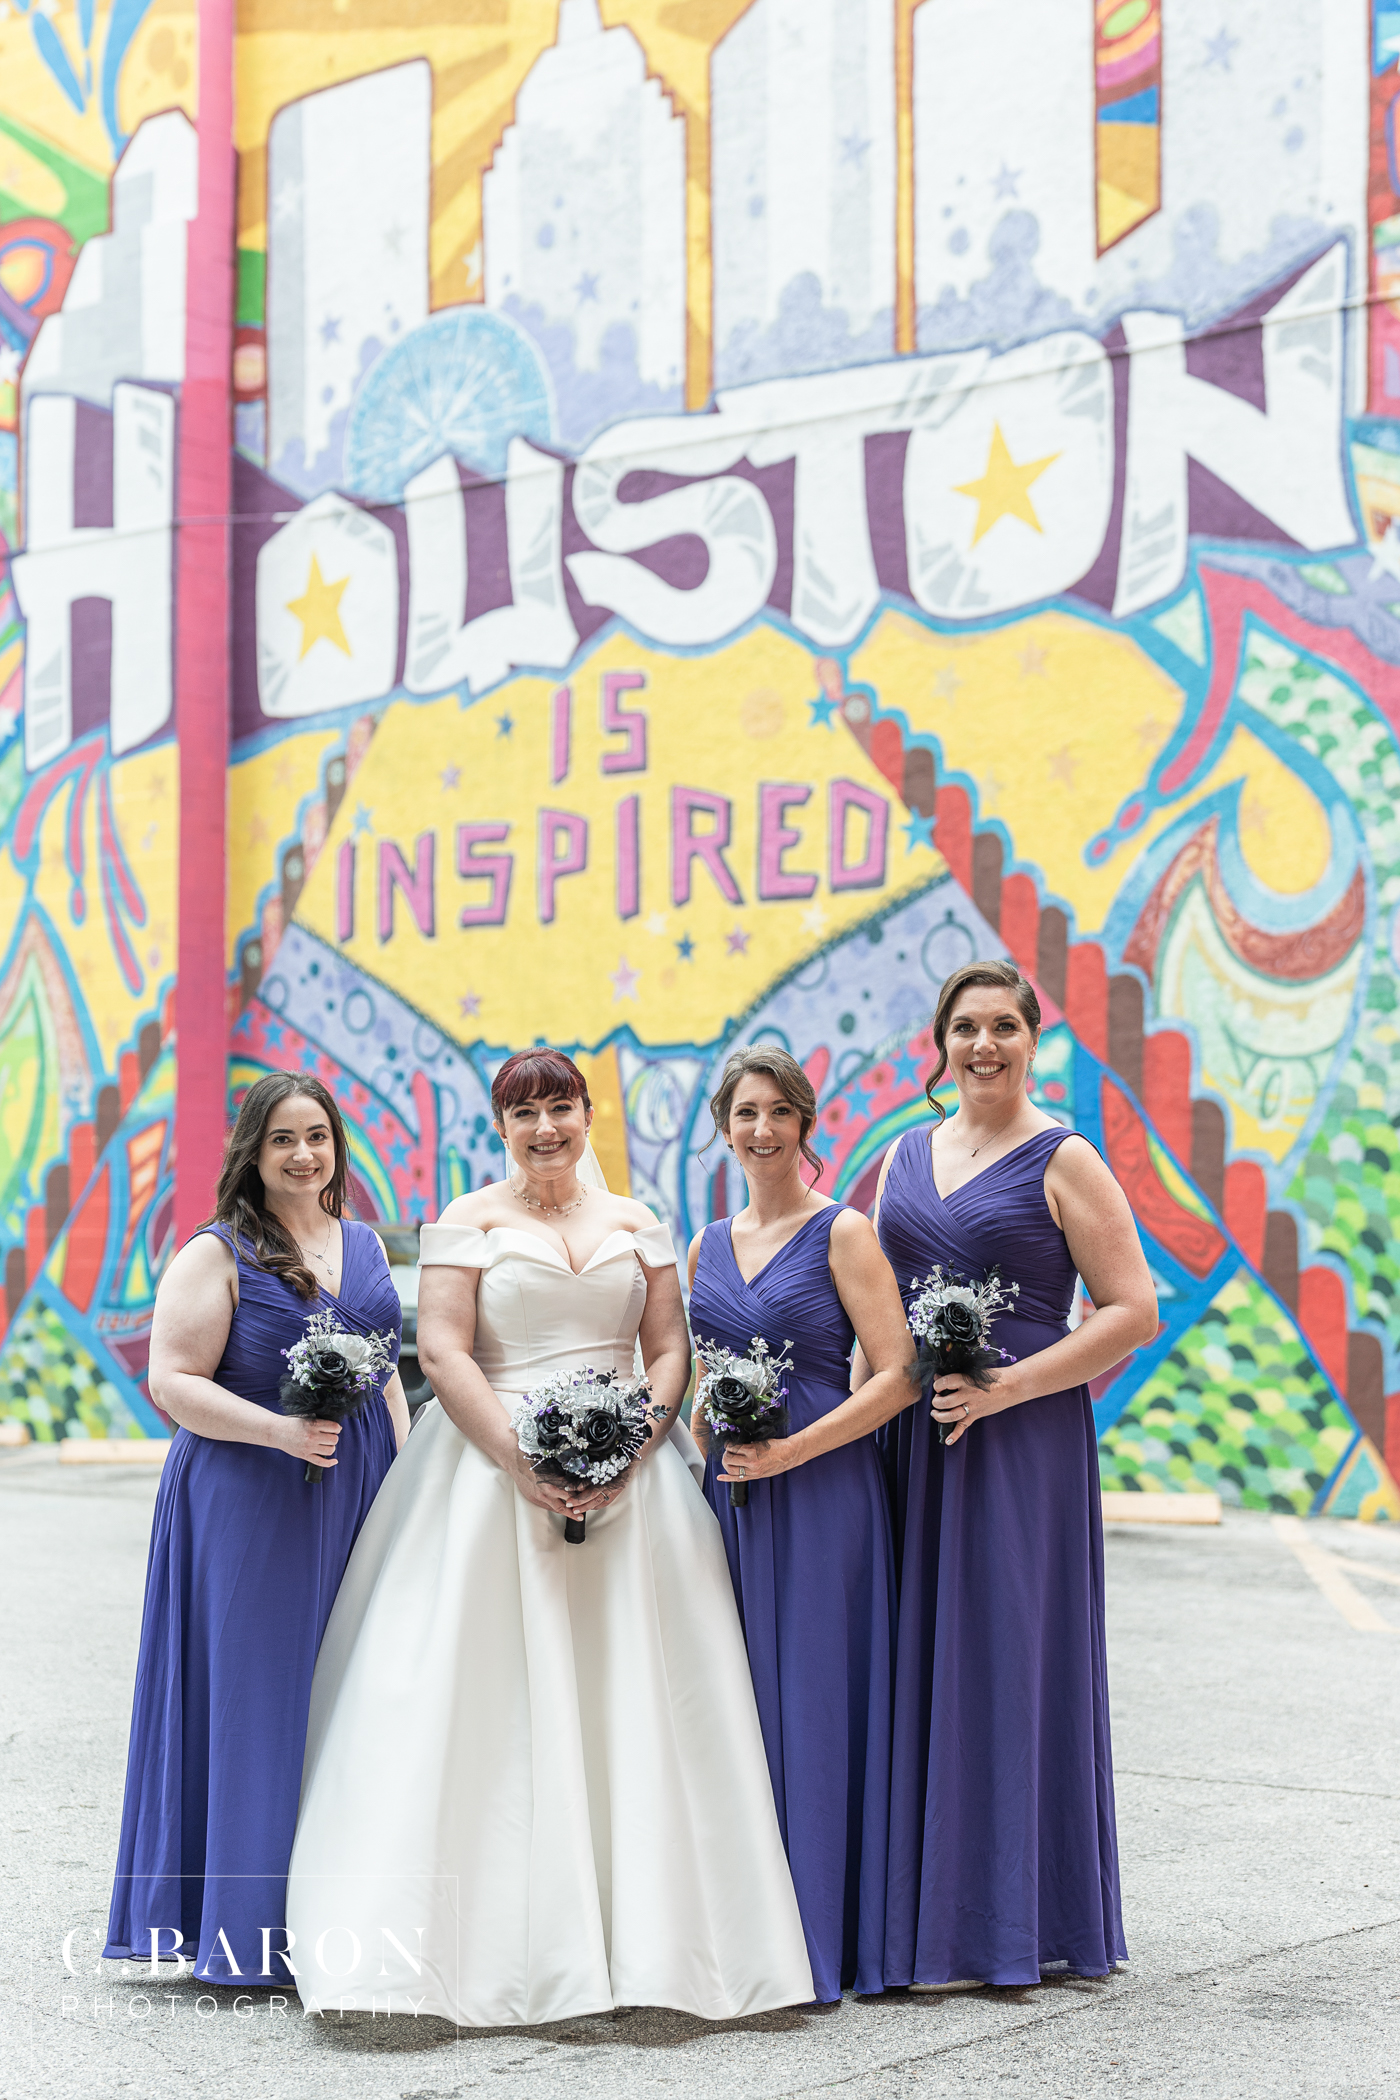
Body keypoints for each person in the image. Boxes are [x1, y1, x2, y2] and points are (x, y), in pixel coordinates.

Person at [285, 1049, 813, 2025]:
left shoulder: (638, 1223)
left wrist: (632, 1447)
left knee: (640, 1697)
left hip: (634, 1485)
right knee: (480, 1697)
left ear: (585, 1115)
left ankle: (654, 1945)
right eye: (523, 1115)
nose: (545, 1130)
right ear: (501, 1128)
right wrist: (521, 1462)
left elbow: (667, 1348)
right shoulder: (469, 1220)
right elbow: (443, 1349)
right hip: (490, 1474)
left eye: (560, 1109)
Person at [855, 960, 1158, 1991]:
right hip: (915, 1437)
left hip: (1021, 1439)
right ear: (939, 1043)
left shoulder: (1064, 1157)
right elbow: (875, 1310)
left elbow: (1131, 1310)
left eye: (1002, 1027)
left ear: (1033, 1039)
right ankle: (921, 1920)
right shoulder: (902, 1156)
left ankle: (1013, 1922)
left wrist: (1006, 1389)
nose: (982, 1045)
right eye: (964, 1027)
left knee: (1006, 1662)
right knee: (918, 1657)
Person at [104, 1073, 408, 1982]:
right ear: (254, 1151)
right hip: (249, 1496)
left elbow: (387, 1377)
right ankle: (243, 1932)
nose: (303, 1154)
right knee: (258, 1702)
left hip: (356, 1491)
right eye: (283, 1139)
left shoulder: (363, 1242)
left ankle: (332, 1920)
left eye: (317, 1136)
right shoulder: (218, 1251)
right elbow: (172, 1380)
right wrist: (280, 1432)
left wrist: (407, 1485)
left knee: (345, 1696)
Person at [688, 1046, 915, 2003]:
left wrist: (795, 1452)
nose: (763, 1129)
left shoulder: (843, 1233)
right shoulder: (704, 1244)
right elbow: (698, 1379)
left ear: (805, 1125)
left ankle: (826, 1936)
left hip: (824, 1496)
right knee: (732, 1703)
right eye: (746, 1113)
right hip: (730, 1501)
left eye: (780, 1112)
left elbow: (900, 1375)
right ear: (724, 1128)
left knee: (816, 1704)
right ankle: (743, 1936)